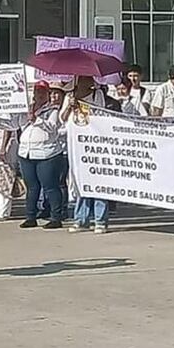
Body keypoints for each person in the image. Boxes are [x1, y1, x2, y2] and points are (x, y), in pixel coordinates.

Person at [61, 79, 111, 234]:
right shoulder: (69, 96)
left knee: (97, 180)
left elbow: (100, 116)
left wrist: (82, 106)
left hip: (93, 142)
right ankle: (81, 218)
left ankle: (100, 219)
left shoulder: (98, 94)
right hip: (75, 143)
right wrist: (70, 105)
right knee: (80, 179)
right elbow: (62, 118)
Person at [17, 84, 65, 229]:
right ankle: (30, 216)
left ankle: (56, 217)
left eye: (43, 92)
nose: (40, 94)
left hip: (47, 153)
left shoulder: (53, 110)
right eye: (37, 91)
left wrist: (36, 119)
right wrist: (24, 116)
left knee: (50, 186)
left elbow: (52, 127)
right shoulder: (27, 108)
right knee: (31, 187)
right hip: (26, 152)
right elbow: (17, 125)